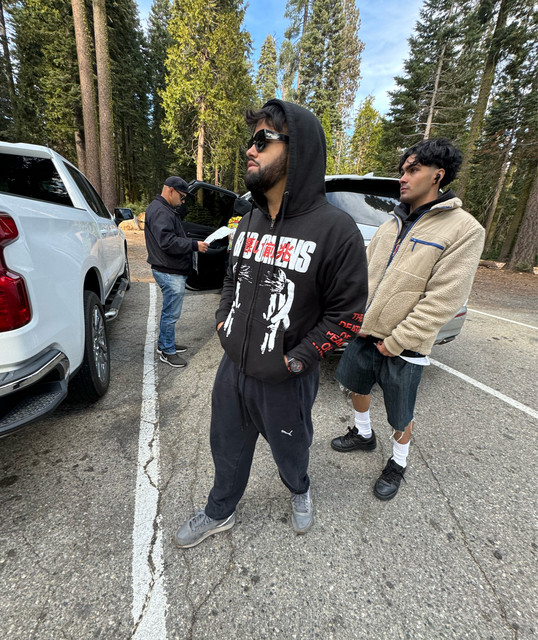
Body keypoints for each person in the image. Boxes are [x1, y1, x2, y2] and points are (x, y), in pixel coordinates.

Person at [173, 99, 368, 548]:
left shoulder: (336, 230)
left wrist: (295, 361)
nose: (251, 149)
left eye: (263, 140)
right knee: (225, 446)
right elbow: (231, 278)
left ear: (297, 150)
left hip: (286, 379)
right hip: (233, 369)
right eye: (251, 140)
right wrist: (223, 322)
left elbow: (348, 316)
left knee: (291, 449)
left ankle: (299, 489)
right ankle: (219, 510)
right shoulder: (249, 221)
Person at [330, 138, 485, 500]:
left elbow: (444, 298)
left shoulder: (464, 229)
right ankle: (363, 434)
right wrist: (350, 317)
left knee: (401, 413)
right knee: (356, 388)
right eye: (402, 170)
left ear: (437, 175)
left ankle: (398, 462)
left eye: (413, 170)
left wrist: (397, 341)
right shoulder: (391, 223)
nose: (403, 177)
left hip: (405, 345)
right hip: (364, 332)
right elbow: (363, 275)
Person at [144, 176, 209, 367]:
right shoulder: (160, 211)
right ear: (170, 190)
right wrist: (194, 245)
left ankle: (165, 343)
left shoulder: (163, 209)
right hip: (168, 271)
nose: (183, 201)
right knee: (171, 314)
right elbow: (167, 242)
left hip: (168, 269)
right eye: (182, 196)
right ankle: (167, 351)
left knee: (169, 311)